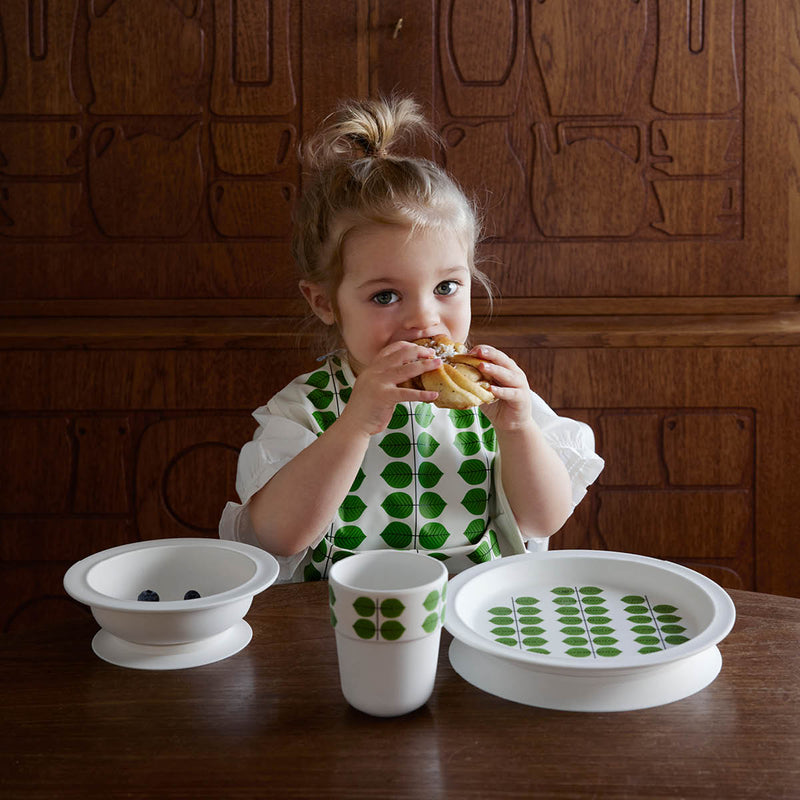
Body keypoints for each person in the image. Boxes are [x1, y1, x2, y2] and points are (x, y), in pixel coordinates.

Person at [219, 96, 603, 582]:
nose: (425, 319)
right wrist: (355, 424)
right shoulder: (308, 407)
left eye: (446, 287)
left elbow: (542, 520)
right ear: (325, 303)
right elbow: (276, 537)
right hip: (339, 621)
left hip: (470, 613)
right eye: (385, 297)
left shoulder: (495, 398)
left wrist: (518, 429)